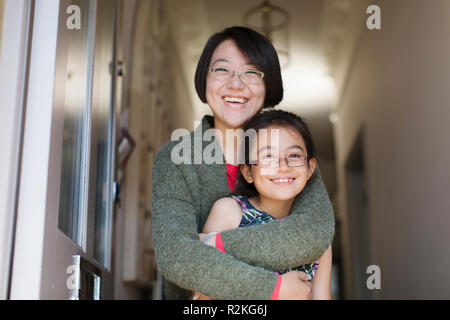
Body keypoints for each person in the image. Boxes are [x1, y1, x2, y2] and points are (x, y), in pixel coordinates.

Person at [152, 26, 334, 300]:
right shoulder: (175, 158)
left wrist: (211, 245)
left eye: (251, 72)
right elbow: (176, 256)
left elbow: (314, 232)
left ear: (268, 84)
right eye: (222, 70)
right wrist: (271, 289)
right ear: (204, 80)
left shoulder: (293, 156)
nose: (236, 84)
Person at [192, 110, 332, 300]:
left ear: (310, 168)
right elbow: (201, 297)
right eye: (268, 156)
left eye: (294, 155)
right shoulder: (230, 212)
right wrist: (274, 290)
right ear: (248, 171)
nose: (283, 166)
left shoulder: (315, 230)